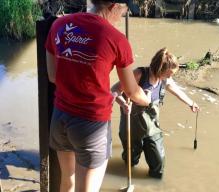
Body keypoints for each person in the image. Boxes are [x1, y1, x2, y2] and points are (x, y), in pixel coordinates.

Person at [45, 0, 150, 191]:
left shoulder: (59, 25)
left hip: (60, 117)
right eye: (125, 10)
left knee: (67, 183)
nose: (124, 15)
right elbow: (132, 91)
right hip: (91, 125)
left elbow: (53, 76)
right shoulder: (117, 39)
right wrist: (147, 100)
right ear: (114, 6)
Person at [111, 47, 200, 179]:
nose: (170, 77)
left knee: (158, 163)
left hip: (152, 126)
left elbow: (176, 90)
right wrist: (123, 104)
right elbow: (114, 90)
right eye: (169, 74)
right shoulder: (139, 74)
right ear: (159, 69)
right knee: (131, 161)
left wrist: (191, 103)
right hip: (132, 125)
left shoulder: (164, 79)